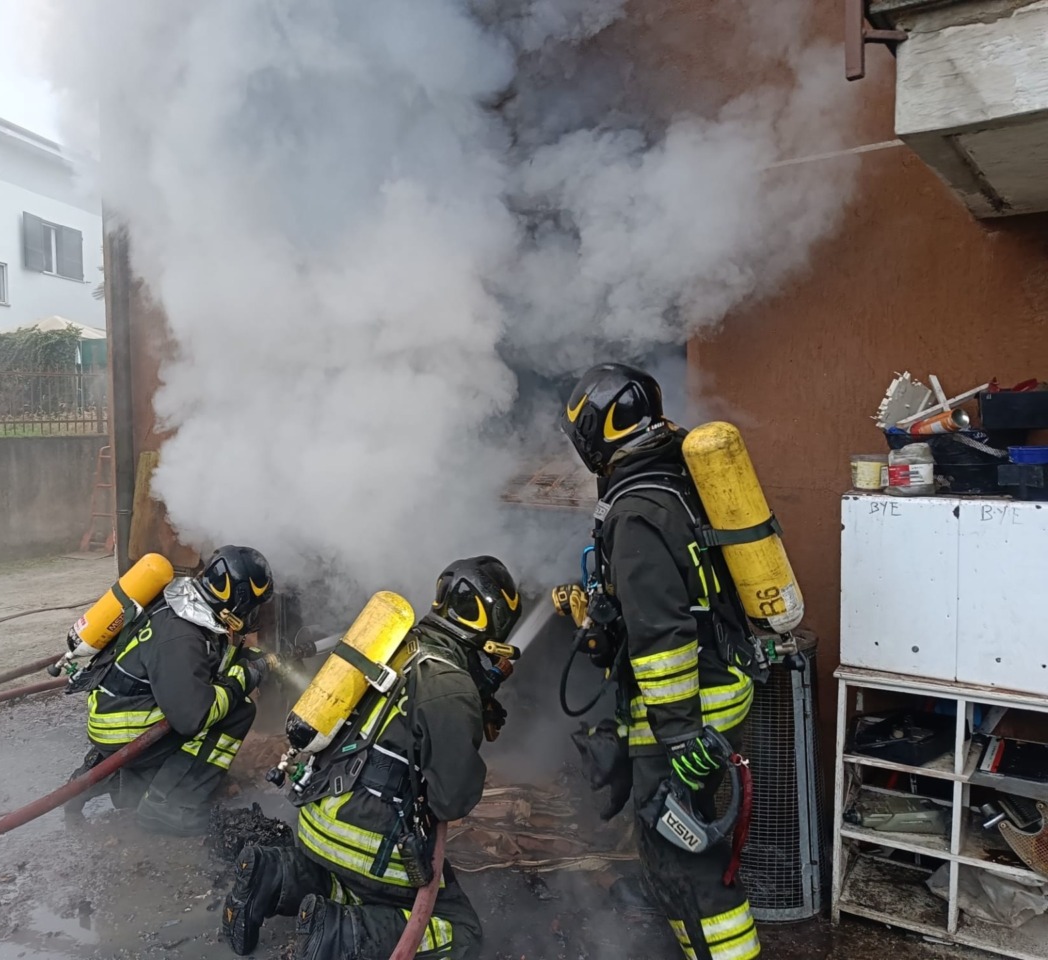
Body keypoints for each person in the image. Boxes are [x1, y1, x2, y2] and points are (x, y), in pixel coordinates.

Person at [557, 362, 762, 960]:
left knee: (684, 855)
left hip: (686, 711)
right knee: (682, 841)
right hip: (719, 687)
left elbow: (664, 634)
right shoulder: (676, 481)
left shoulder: (638, 510)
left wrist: (677, 736)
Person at [222, 556, 523, 960]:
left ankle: (268, 876)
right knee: (461, 931)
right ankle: (340, 934)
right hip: (363, 841)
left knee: (345, 882)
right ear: (494, 624)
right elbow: (452, 799)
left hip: (314, 821)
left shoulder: (394, 648)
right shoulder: (451, 685)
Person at [66, 544, 276, 836]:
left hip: (118, 714)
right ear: (236, 599)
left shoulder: (186, 606)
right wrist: (245, 676)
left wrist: (243, 661)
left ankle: (116, 780)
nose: (254, 613)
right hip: (125, 728)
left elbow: (203, 667)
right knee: (237, 712)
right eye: (253, 604)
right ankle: (168, 807)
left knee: (221, 702)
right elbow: (193, 717)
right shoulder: (182, 634)